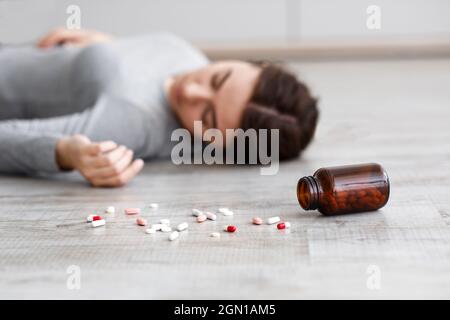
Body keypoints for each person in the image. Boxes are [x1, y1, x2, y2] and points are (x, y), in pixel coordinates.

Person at [0, 28, 319, 187]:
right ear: (256, 63)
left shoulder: (131, 121)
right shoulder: (186, 54)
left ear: (218, 147)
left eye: (206, 119)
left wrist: (65, 153)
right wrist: (102, 46)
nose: (191, 89)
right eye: (218, 77)